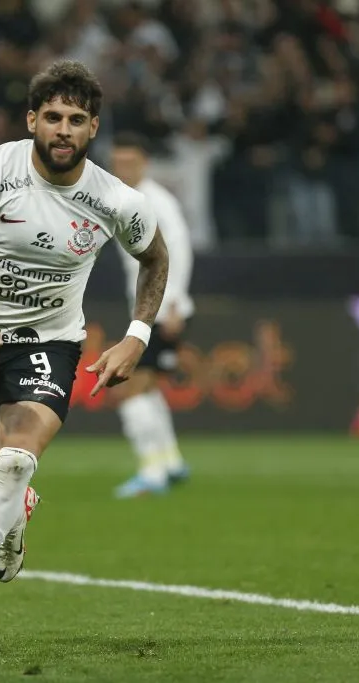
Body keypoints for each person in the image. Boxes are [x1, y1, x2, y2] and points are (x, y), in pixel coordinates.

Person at [0, 60, 169, 652]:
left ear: (93, 128)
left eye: (76, 120)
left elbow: (155, 258)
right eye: (52, 117)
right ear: (32, 120)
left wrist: (137, 335)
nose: (63, 130)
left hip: (49, 345)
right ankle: (11, 517)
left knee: (17, 460)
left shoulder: (113, 199)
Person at [108, 132, 194, 497]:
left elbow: (179, 250)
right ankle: (171, 462)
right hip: (144, 309)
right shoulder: (121, 200)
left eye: (130, 162)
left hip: (160, 310)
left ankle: (151, 472)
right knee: (149, 389)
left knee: (127, 389)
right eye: (118, 163)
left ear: (144, 163)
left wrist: (173, 302)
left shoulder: (158, 201)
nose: (123, 168)